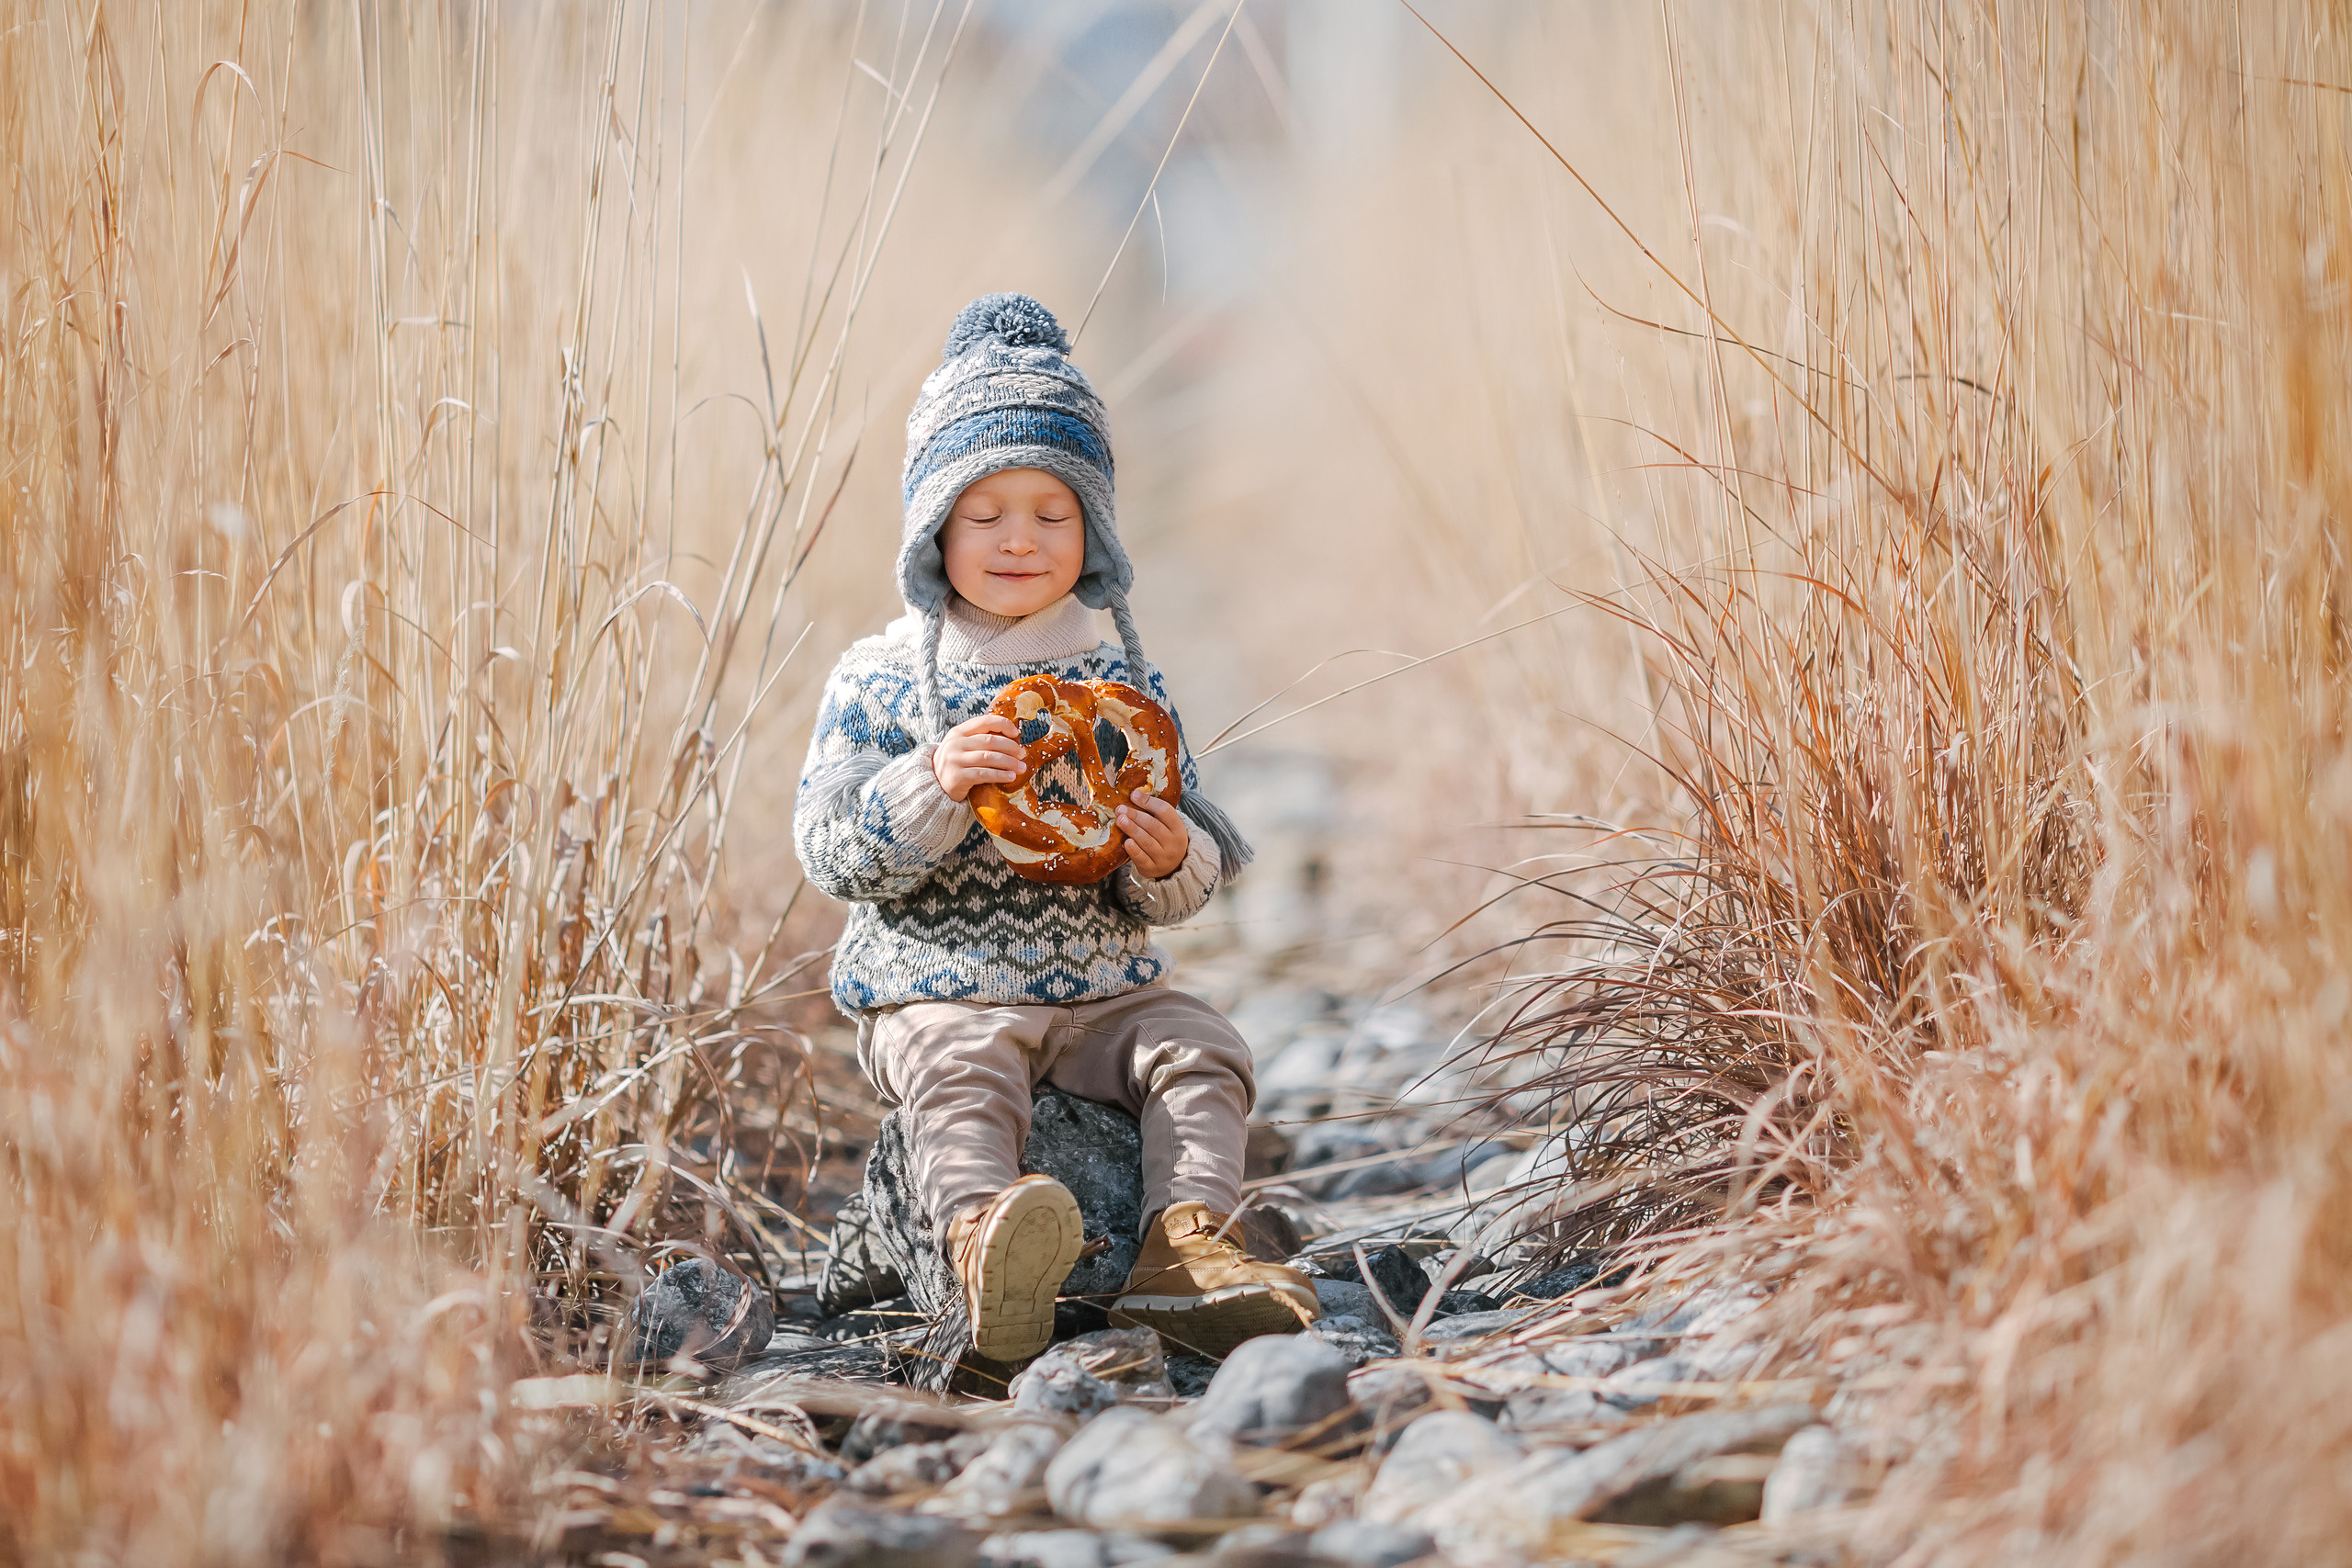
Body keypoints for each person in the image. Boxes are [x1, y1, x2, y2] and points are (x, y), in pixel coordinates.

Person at [793, 292, 1319, 1363]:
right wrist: (933, 783)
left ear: (1097, 532)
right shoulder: (883, 678)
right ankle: (985, 1240)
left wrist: (1172, 859)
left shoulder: (1119, 676)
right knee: (958, 1072)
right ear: (935, 528)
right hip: (940, 982)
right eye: (985, 515)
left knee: (1201, 1046)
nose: (1020, 540)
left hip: (1101, 991)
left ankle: (1186, 1246)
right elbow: (830, 846)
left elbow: (1181, 838)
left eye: (1052, 513)